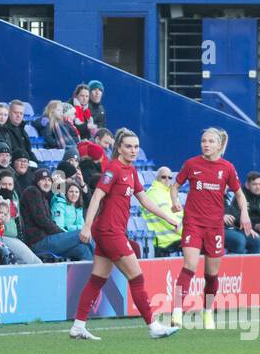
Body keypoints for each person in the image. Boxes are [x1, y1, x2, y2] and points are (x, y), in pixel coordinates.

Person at [69, 129, 181, 341]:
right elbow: (96, 197)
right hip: (110, 231)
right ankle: (153, 326)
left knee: (97, 279)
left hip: (110, 231)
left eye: (136, 147)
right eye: (128, 146)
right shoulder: (114, 169)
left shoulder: (131, 171)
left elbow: (145, 200)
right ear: (119, 148)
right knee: (136, 277)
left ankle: (78, 325)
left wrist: (168, 218)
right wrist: (86, 226)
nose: (133, 150)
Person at [169, 128, 253, 330]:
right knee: (189, 264)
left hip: (215, 227)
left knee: (211, 274)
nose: (205, 144)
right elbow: (174, 186)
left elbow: (239, 194)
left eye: (210, 141)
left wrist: (245, 213)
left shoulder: (227, 168)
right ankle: (178, 311)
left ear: (219, 145)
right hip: (193, 223)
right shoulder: (191, 164)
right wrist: (175, 202)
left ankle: (207, 312)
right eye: (203, 141)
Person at [20, 169, 92, 262]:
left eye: (49, 180)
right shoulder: (33, 191)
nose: (47, 183)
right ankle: (103, 262)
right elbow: (42, 220)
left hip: (48, 239)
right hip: (38, 242)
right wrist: (63, 234)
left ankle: (91, 275)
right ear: (36, 181)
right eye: (43, 180)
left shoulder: (44, 196)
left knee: (83, 249)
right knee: (82, 233)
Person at [141, 167, 182, 257]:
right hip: (165, 241)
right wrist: (188, 233)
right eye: (163, 177)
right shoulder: (154, 193)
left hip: (178, 237)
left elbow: (181, 216)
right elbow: (168, 220)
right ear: (157, 178)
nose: (167, 180)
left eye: (170, 178)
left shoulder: (171, 194)